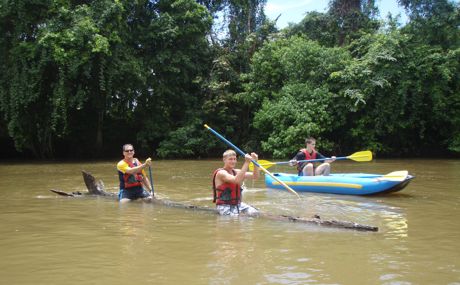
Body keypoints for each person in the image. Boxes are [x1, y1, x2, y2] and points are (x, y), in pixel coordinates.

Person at [212, 149, 260, 216]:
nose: (233, 161)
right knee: (237, 220)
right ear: (224, 160)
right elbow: (236, 180)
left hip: (238, 204)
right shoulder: (221, 173)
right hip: (224, 206)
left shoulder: (236, 172)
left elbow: (255, 176)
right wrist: (246, 163)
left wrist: (255, 162)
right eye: (230, 159)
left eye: (234, 159)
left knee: (256, 213)